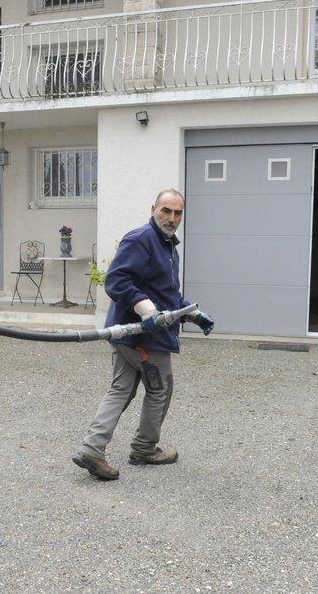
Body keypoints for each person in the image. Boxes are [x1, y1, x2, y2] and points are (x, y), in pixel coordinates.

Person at [72, 189, 215, 480]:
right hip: (142, 337)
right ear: (153, 209)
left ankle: (91, 449)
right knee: (160, 388)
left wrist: (192, 313)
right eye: (166, 210)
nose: (171, 218)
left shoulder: (167, 247)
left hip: (130, 338)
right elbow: (116, 280)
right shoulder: (141, 239)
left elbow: (166, 294)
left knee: (120, 389)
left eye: (177, 213)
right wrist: (145, 309)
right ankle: (144, 448)